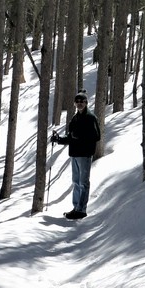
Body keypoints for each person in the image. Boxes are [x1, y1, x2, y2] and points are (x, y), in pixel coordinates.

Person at [51, 90, 101, 219]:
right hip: (75, 154)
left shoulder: (90, 117)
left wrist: (79, 137)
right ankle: (76, 207)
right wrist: (59, 140)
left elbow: (96, 136)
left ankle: (81, 210)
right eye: (77, 102)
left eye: (82, 102)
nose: (79, 104)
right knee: (76, 182)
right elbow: (71, 136)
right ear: (74, 103)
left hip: (84, 154)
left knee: (83, 182)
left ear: (86, 103)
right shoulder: (75, 117)